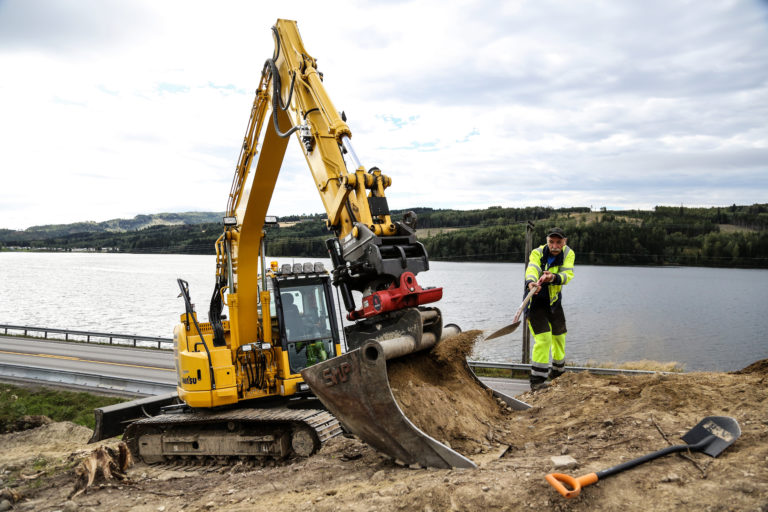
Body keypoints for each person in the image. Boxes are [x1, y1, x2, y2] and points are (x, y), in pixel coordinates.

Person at [524, 227, 575, 391]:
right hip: (535, 302)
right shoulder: (537, 252)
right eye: (551, 242)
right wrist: (532, 282)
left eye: (558, 242)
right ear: (547, 241)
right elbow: (532, 268)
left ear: (564, 242)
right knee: (544, 339)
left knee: (560, 337)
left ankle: (558, 374)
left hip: (554, 303)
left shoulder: (568, 253)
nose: (554, 245)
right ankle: (537, 381)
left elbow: (567, 276)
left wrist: (552, 277)